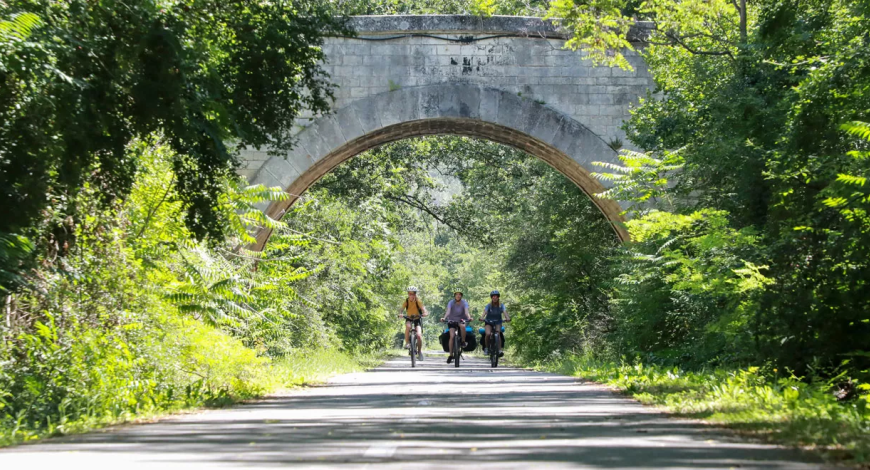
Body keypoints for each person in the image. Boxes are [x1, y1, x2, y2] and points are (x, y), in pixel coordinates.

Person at [397, 286, 428, 360]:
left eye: (413, 294)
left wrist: (425, 313)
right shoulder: (406, 301)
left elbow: (423, 309)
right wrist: (400, 313)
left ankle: (419, 352)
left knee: (419, 335)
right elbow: (401, 309)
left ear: (415, 294)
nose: (411, 295)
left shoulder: (418, 301)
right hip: (409, 318)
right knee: (408, 326)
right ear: (408, 294)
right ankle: (407, 343)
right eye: (410, 294)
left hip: (417, 318)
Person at [441, 289, 472, 364]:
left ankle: (463, 341)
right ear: (454, 296)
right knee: (451, 336)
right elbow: (448, 312)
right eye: (456, 294)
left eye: (459, 294)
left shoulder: (464, 303)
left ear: (461, 296)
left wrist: (469, 317)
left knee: (463, 326)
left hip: (461, 320)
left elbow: (466, 312)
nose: (458, 296)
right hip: (452, 320)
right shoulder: (451, 302)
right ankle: (451, 355)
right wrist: (444, 318)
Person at [479, 290, 510, 356]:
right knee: (488, 334)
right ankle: (487, 348)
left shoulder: (501, 305)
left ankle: (499, 350)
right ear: (491, 297)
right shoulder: (488, 305)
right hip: (488, 322)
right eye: (493, 296)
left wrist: (507, 318)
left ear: (498, 297)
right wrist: (482, 317)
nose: (494, 298)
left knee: (498, 334)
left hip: (498, 322)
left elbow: (505, 312)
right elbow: (485, 312)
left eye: (496, 296)